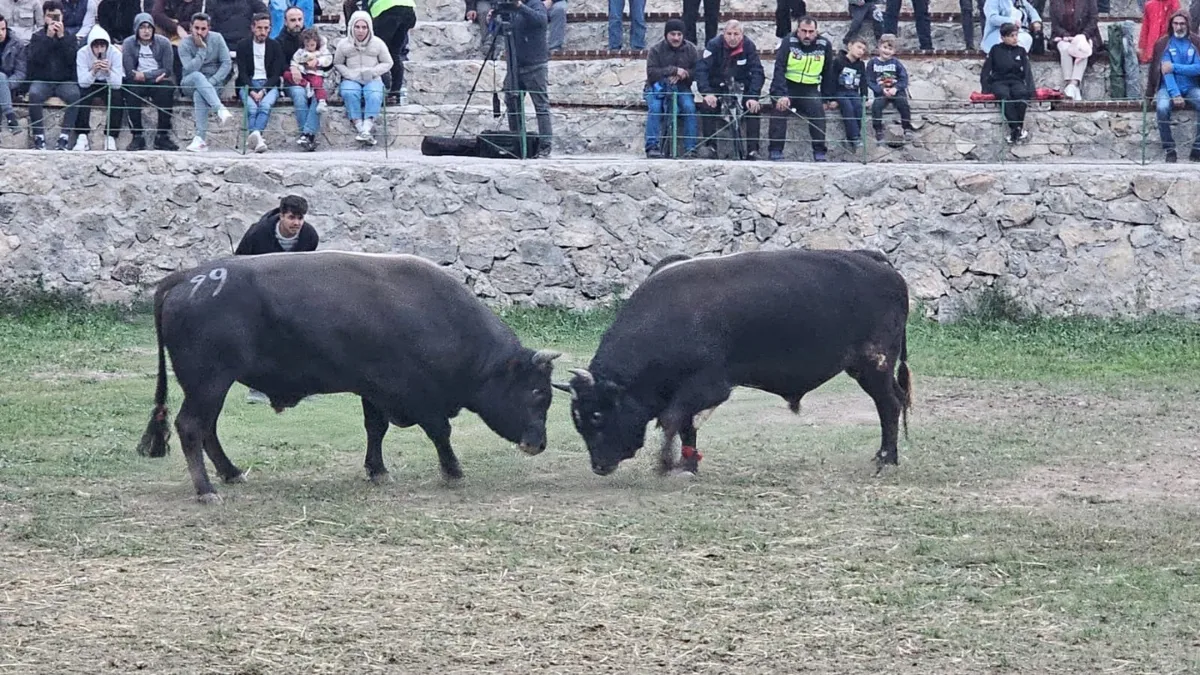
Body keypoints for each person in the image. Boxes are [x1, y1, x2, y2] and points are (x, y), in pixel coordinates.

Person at [234, 194, 319, 404]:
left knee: (302, 336)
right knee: (262, 339)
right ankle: (257, 388)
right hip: (258, 293)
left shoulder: (309, 236)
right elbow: (239, 263)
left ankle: (302, 387)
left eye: (300, 218)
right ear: (281, 215)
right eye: (291, 217)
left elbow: (307, 270)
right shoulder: (258, 233)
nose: (296, 223)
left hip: (292, 294)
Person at [767, 15, 833, 161]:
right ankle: (775, 150)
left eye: (811, 32)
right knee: (779, 110)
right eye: (804, 31)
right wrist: (781, 94)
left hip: (809, 89)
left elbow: (828, 72)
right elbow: (779, 68)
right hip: (787, 86)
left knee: (818, 111)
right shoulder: (788, 41)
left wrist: (826, 98)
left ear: (816, 31)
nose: (807, 35)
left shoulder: (825, 44)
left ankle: (819, 152)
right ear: (798, 30)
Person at [694, 19, 763, 160]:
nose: (732, 37)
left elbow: (757, 72)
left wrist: (753, 96)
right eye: (729, 34)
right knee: (707, 106)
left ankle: (753, 150)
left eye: (736, 34)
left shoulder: (749, 46)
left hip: (741, 88)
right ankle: (710, 147)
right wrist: (707, 93)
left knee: (754, 108)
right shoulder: (713, 45)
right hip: (717, 88)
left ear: (742, 35)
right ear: (723, 33)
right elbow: (701, 70)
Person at [499, 0, 552, 157]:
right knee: (512, 102)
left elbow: (541, 21)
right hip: (515, 66)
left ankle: (545, 145)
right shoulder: (511, 10)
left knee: (541, 106)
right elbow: (502, 30)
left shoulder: (535, 4)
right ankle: (517, 142)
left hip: (535, 65)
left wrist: (520, 7)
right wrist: (494, 19)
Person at [1146, 10, 1200, 162]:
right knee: (1162, 108)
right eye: (1175, 23)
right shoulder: (1163, 43)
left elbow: (1198, 68)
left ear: (1188, 25)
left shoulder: (1196, 42)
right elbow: (1165, 71)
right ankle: (1169, 149)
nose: (1179, 27)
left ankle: (1197, 147)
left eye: (1182, 24)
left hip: (1191, 86)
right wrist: (1175, 93)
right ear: (1171, 25)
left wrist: (1175, 67)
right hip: (1167, 87)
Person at [27, 0, 80, 150]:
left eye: (56, 16)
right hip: (43, 80)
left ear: (62, 16)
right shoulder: (37, 36)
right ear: (44, 17)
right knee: (34, 94)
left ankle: (64, 137)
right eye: (50, 16)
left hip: (64, 81)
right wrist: (48, 38)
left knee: (75, 95)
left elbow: (71, 60)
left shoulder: (70, 37)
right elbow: (36, 60)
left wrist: (62, 37)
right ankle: (39, 137)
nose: (53, 19)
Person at [333, 9, 390, 145]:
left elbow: (388, 62)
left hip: (372, 79)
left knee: (375, 94)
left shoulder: (378, 43)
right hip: (351, 79)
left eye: (364, 27)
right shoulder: (343, 44)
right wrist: (349, 74)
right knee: (349, 92)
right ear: (351, 27)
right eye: (357, 27)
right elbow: (338, 63)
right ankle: (359, 126)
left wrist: (373, 72)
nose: (360, 31)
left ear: (369, 28)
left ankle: (367, 127)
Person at [121, 11, 176, 150]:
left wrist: (146, 75)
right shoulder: (128, 43)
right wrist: (141, 76)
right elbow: (129, 71)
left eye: (149, 27)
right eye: (142, 27)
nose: (146, 31)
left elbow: (167, 69)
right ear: (136, 29)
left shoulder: (164, 43)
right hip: (136, 80)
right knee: (130, 90)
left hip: (157, 80)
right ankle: (137, 136)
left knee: (167, 90)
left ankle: (162, 136)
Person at [178, 11, 232, 152]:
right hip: (189, 81)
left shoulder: (217, 38)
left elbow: (226, 63)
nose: (200, 32)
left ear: (209, 28)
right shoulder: (184, 44)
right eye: (196, 28)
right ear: (191, 27)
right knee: (197, 76)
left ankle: (200, 140)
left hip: (213, 82)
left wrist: (211, 82)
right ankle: (220, 109)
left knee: (199, 93)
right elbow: (190, 68)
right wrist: (201, 49)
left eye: (203, 29)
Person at [644, 17, 698, 158]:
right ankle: (652, 146)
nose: (676, 38)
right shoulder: (656, 50)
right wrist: (673, 71)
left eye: (679, 34)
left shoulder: (691, 49)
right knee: (655, 108)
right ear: (666, 35)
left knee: (689, 108)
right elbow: (651, 73)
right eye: (672, 34)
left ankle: (691, 148)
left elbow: (697, 71)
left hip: (682, 87)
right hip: (657, 87)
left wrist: (684, 74)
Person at [235, 12, 284, 153]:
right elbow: (242, 72)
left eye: (266, 28)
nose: (263, 32)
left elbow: (276, 73)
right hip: (248, 83)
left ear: (270, 29)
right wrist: (251, 90)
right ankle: (258, 139)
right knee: (251, 108)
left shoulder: (275, 46)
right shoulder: (243, 45)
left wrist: (263, 90)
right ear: (252, 28)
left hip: (269, 84)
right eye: (259, 28)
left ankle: (254, 138)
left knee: (265, 106)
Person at [981, 22, 1033, 144]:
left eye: (1016, 35)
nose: (1015, 38)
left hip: (1016, 80)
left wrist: (1031, 89)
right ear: (1003, 37)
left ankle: (1016, 129)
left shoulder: (1021, 51)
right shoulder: (995, 50)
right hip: (999, 81)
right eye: (1011, 36)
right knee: (1004, 95)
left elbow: (1027, 71)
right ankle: (1016, 128)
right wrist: (985, 88)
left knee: (1021, 94)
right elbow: (986, 70)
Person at [73, 23, 122, 150]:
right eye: (96, 46)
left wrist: (108, 72)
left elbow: (117, 84)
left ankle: (110, 136)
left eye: (102, 46)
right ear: (91, 46)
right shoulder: (82, 53)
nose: (100, 50)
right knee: (81, 95)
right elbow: (83, 82)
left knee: (117, 97)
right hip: (90, 82)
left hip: (108, 82)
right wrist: (93, 72)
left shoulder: (115, 54)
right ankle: (82, 135)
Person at [1048, 0, 1101, 101]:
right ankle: (1071, 85)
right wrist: (1065, 35)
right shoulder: (1055, 2)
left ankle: (1073, 84)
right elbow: (1055, 25)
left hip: (1085, 35)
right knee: (1065, 48)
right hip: (1063, 37)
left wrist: (1083, 35)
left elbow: (1093, 20)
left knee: (1082, 49)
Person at [866, 33, 914, 142]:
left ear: (894, 51)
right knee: (876, 106)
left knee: (903, 103)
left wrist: (896, 88)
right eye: (885, 47)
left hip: (896, 90)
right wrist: (880, 90)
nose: (887, 51)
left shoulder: (896, 63)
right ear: (879, 47)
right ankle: (878, 129)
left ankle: (907, 127)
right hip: (881, 91)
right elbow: (870, 80)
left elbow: (903, 78)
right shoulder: (872, 63)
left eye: (890, 49)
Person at [363, 0, 413, 104]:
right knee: (394, 53)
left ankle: (383, 90)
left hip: (387, 10)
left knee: (378, 52)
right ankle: (395, 93)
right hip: (408, 9)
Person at [830, 35, 868, 151]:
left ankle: (857, 135)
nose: (861, 51)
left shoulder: (861, 65)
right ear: (850, 46)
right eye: (859, 47)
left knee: (858, 108)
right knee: (847, 108)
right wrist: (831, 99)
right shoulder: (838, 61)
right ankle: (854, 137)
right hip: (840, 92)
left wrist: (864, 97)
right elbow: (831, 80)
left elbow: (863, 82)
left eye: (863, 49)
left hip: (853, 92)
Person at [0, 14, 28, 132]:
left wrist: (4, 85)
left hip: (10, 88)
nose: (0, 33)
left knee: (1, 78)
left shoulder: (17, 44)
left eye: (3, 29)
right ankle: (11, 118)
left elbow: (20, 73)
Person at [1139, 0, 1178, 64]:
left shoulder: (1174, 4)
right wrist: (1142, 47)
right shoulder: (1150, 5)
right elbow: (1145, 28)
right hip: (1152, 51)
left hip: (1168, 49)